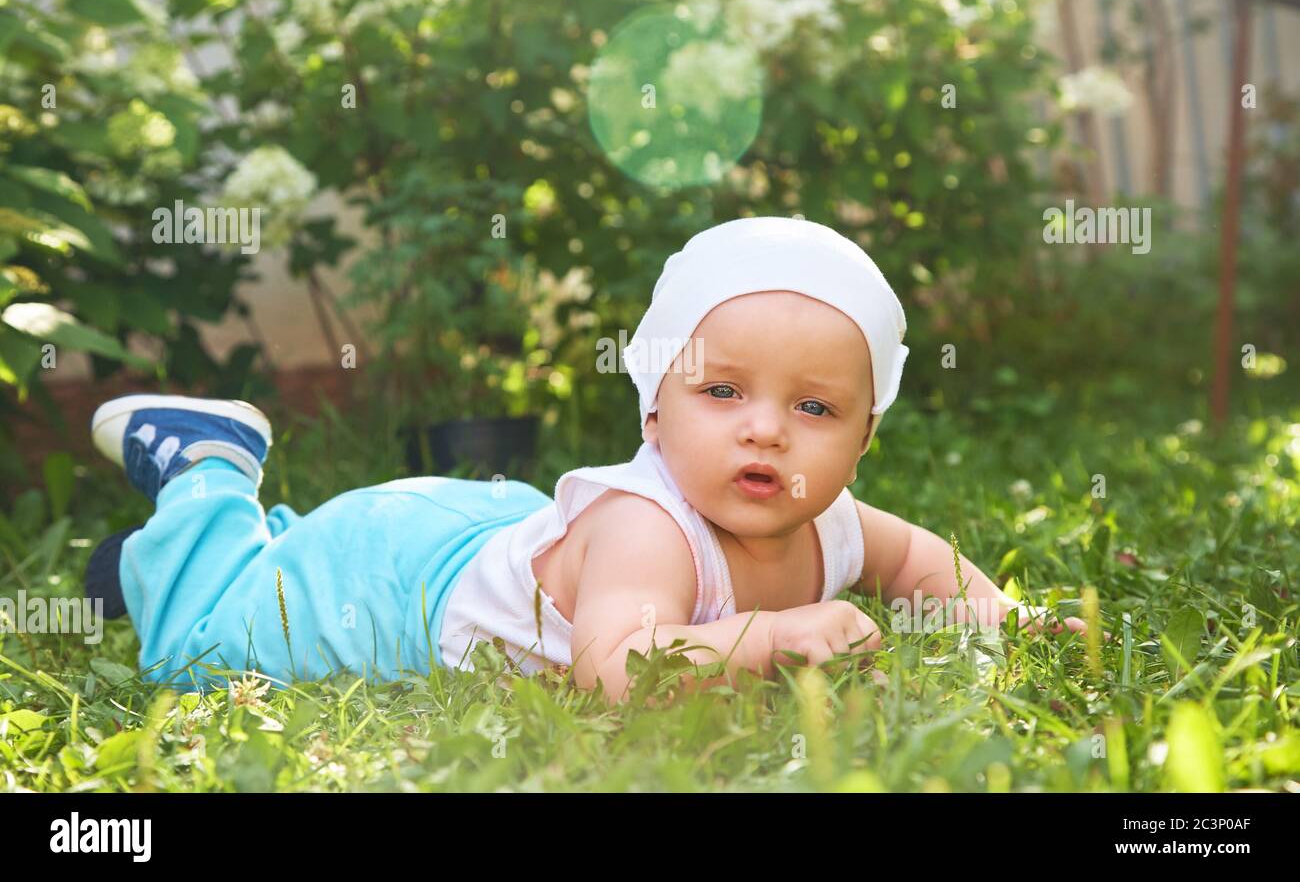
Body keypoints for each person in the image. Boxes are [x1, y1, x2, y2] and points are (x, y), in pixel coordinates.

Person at [85, 216, 1089, 701]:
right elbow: (611, 669)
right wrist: (773, 632)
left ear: (864, 438)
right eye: (722, 391)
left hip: (497, 529)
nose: (766, 430)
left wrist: (1001, 616)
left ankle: (258, 546)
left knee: (281, 573)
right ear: (654, 408)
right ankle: (208, 473)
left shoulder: (830, 519)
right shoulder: (651, 532)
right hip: (397, 581)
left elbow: (917, 564)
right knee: (203, 648)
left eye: (815, 406)